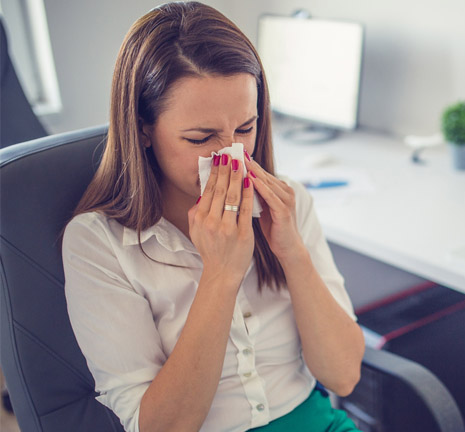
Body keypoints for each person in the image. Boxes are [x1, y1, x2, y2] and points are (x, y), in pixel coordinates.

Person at [62, 2, 365, 432]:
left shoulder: (289, 202)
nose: (233, 155)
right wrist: (221, 273)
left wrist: (292, 252)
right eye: (201, 137)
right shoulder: (97, 243)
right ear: (143, 128)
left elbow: (344, 375)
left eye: (245, 128)